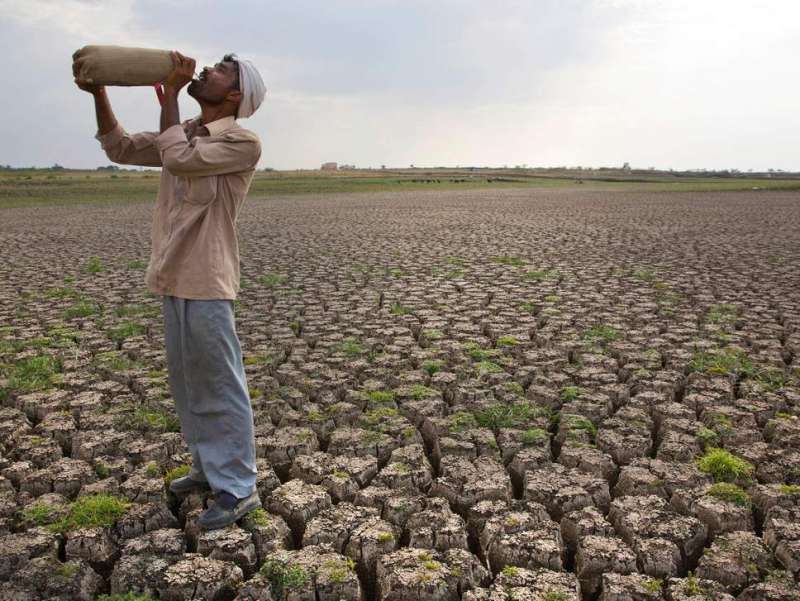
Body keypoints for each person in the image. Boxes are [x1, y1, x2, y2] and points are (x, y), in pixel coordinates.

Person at [75, 51, 266, 530]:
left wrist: (173, 97)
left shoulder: (242, 142)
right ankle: (207, 470)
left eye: (220, 70)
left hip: (207, 278)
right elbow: (118, 147)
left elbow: (178, 160)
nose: (206, 71)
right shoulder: (185, 132)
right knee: (188, 383)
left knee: (220, 383)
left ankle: (239, 488)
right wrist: (100, 90)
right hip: (173, 275)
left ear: (235, 94)